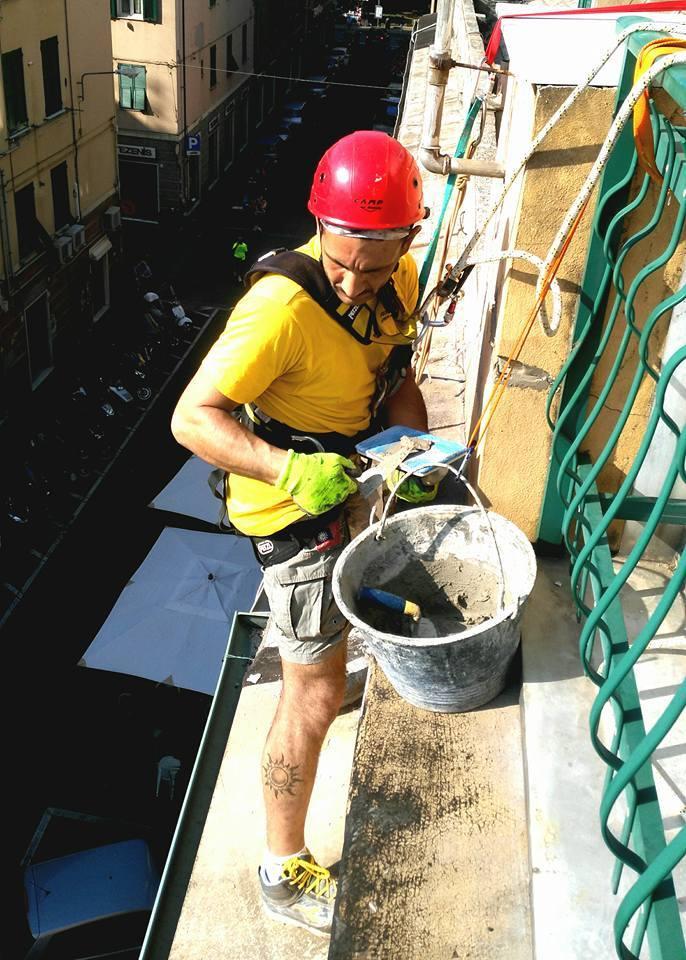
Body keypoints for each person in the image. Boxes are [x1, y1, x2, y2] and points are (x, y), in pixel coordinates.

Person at [171, 130, 439, 937]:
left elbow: (395, 375)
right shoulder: (281, 308)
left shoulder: (400, 277)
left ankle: (331, 666)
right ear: (318, 226)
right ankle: (281, 870)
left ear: (407, 238)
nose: (356, 281)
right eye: (342, 257)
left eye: (377, 260)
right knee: (310, 693)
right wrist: (287, 473)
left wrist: (414, 448)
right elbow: (192, 418)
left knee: (334, 642)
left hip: (346, 487)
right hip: (292, 518)